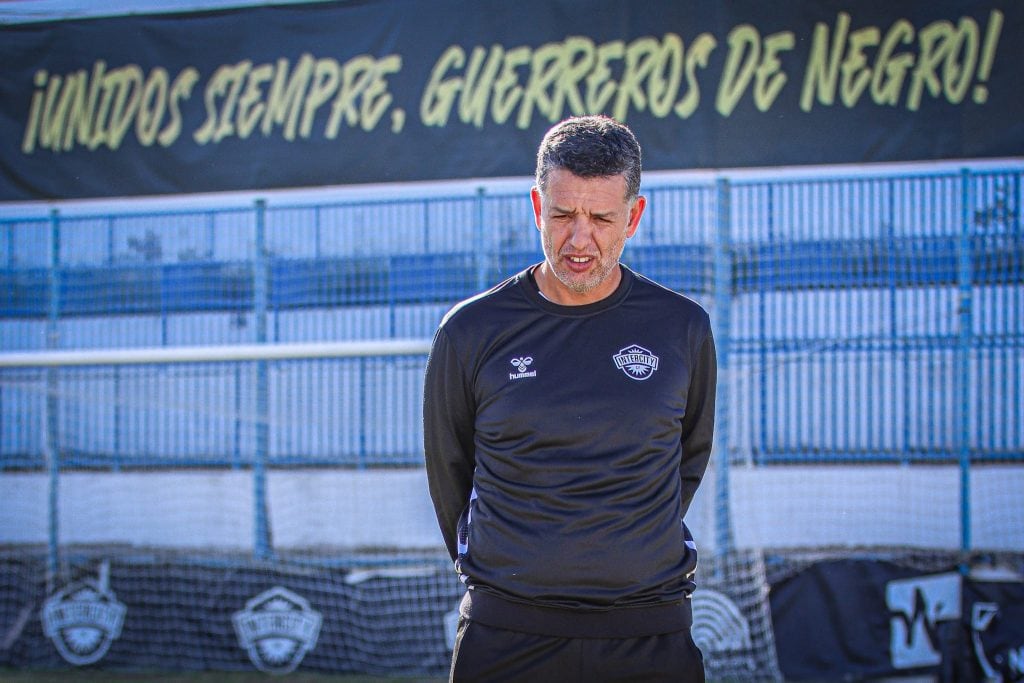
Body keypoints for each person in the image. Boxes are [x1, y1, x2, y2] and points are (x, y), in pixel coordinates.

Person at [423, 114, 716, 682]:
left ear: (634, 216)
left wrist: (625, 548)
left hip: (648, 636)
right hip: (507, 638)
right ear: (537, 207)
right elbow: (449, 473)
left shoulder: (682, 328)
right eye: (562, 215)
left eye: (602, 218)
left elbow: (688, 459)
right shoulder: (470, 332)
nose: (580, 239)